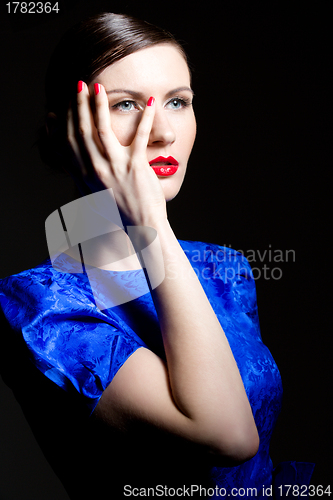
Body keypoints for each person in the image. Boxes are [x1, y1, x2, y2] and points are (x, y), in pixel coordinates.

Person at [0, 12, 314, 499]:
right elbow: (227, 435)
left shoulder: (221, 268)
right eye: (126, 104)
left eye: (178, 102)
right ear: (65, 130)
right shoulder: (37, 305)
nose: (162, 132)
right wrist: (150, 225)